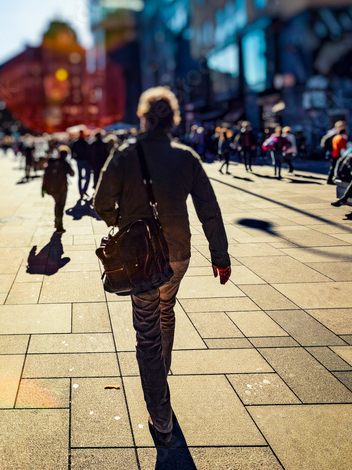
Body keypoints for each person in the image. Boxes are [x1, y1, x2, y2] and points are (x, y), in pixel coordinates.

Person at [94, 87, 231, 448]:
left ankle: (161, 415)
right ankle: (163, 373)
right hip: (178, 252)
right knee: (166, 308)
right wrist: (220, 256)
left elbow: (100, 203)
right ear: (173, 120)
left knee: (147, 334)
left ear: (142, 117)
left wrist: (122, 217)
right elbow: (209, 209)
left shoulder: (124, 154)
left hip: (141, 257)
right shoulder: (186, 157)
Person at [43, 145, 74, 233]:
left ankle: (57, 222)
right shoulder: (65, 163)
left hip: (52, 188)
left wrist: (43, 190)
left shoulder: (51, 161)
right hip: (62, 187)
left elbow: (45, 176)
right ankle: (59, 225)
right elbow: (72, 173)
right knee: (60, 206)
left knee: (57, 204)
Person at [71, 132, 91, 198]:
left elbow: (72, 151)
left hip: (79, 161)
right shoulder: (86, 143)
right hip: (85, 161)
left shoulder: (76, 143)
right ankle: (84, 190)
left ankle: (81, 192)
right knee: (88, 176)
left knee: (80, 177)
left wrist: (74, 158)